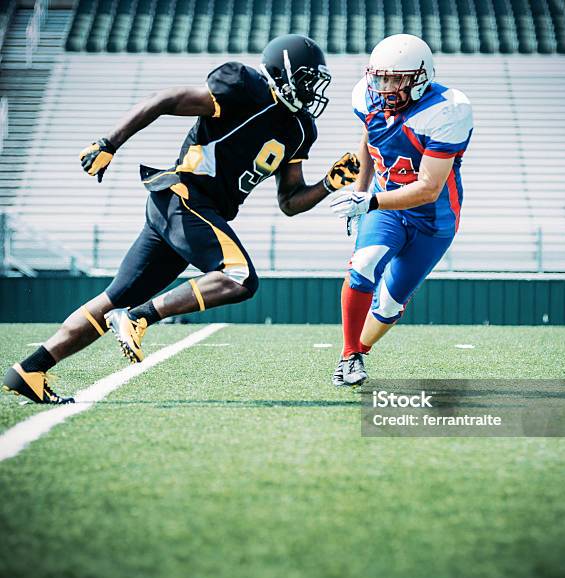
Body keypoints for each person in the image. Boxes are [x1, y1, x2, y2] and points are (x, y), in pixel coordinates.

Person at [2, 34, 359, 404]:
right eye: (306, 79)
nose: (311, 89)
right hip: (183, 196)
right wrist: (109, 143)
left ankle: (32, 368)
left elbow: (290, 200)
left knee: (113, 299)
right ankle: (140, 317)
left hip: (191, 212)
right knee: (240, 277)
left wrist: (328, 184)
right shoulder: (243, 85)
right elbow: (166, 100)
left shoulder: (301, 130)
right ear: (282, 72)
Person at [329, 34, 473, 386]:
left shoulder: (447, 109)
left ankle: (360, 349)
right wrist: (360, 191)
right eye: (381, 77)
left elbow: (428, 188)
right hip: (387, 207)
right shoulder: (365, 95)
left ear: (421, 77)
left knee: (390, 304)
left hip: (433, 220)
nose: (385, 86)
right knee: (362, 266)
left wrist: (371, 200)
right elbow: (370, 138)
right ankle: (348, 358)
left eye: (397, 79)